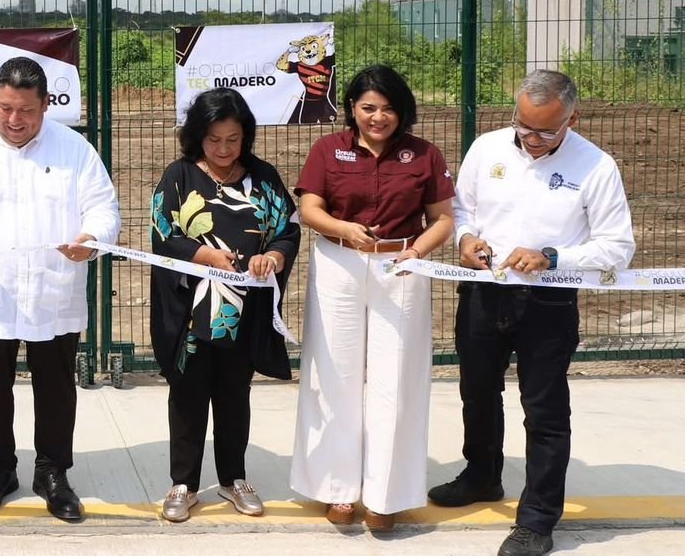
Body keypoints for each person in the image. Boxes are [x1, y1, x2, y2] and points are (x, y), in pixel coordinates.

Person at [428, 70, 634, 556]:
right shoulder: (487, 148)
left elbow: (617, 247)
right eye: (522, 126)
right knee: (477, 391)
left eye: (545, 131)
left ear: (572, 120)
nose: (531, 139)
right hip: (484, 291)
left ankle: (538, 519)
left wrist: (554, 257)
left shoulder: (596, 166)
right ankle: (482, 475)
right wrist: (466, 239)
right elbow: (462, 209)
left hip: (549, 301)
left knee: (544, 409)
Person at [0, 56, 121, 522]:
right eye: (5, 108)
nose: (14, 120)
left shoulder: (74, 149)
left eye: (26, 110)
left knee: (56, 387)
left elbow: (103, 210)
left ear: (46, 104)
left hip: (53, 290)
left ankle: (52, 473)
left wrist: (91, 239)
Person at [289, 65, 455, 531]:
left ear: (402, 112)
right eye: (368, 108)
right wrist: (344, 228)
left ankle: (387, 495)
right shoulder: (328, 149)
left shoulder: (424, 154)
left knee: (396, 379)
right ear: (352, 108)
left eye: (388, 109)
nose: (378, 117)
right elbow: (309, 208)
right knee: (333, 375)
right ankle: (336, 490)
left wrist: (416, 252)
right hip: (338, 263)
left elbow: (443, 219)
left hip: (401, 266)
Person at [148, 88, 299, 522]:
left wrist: (273, 257)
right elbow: (163, 233)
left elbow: (287, 229)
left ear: (245, 136)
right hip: (191, 312)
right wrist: (207, 256)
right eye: (214, 139)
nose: (223, 149)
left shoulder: (263, 177)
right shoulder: (179, 176)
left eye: (233, 139)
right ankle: (184, 483)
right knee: (188, 393)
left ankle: (234, 478)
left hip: (244, 310)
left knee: (235, 393)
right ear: (198, 135)